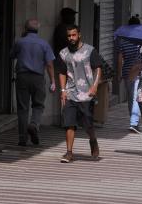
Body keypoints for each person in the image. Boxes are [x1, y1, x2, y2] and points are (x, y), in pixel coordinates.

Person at [58, 24, 103, 163]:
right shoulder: (63, 53)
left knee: (87, 123)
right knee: (69, 123)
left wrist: (95, 86)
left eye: (73, 35)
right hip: (71, 92)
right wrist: (63, 90)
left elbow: (98, 68)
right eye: (69, 36)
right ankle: (69, 153)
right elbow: (62, 72)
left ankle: (93, 139)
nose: (71, 38)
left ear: (79, 35)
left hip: (86, 93)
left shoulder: (90, 51)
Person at [10, 19, 56, 146]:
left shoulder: (19, 42)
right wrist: (53, 81)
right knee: (38, 105)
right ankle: (34, 124)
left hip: (22, 77)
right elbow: (50, 64)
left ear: (25, 28)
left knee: (22, 108)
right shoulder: (44, 44)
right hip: (38, 78)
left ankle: (22, 138)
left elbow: (11, 55)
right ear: (38, 29)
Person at [116, 16, 142, 133]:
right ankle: (134, 122)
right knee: (137, 97)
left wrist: (119, 73)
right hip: (138, 71)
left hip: (127, 72)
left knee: (131, 97)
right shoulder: (141, 40)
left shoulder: (123, 40)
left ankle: (133, 121)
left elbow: (120, 59)